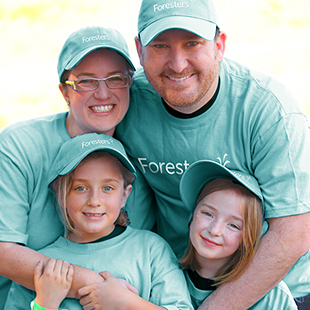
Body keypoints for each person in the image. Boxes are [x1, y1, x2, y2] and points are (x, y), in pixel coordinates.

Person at [115, 0, 310, 308]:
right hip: (176, 284)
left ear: (219, 45)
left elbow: (293, 234)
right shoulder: (128, 104)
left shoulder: (269, 109)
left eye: (192, 43)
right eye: (161, 45)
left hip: (271, 290)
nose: (178, 64)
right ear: (139, 51)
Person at [0, 25, 137, 308]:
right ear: (64, 91)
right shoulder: (19, 145)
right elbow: (2, 251)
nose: (102, 93)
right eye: (86, 81)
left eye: (114, 78)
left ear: (130, 84)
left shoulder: (130, 156)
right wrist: (96, 286)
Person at [5, 133, 193, 310]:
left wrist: (127, 303)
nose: (94, 201)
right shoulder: (42, 266)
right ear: (61, 195)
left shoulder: (151, 250)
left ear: (124, 195)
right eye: (80, 188)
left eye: (108, 188)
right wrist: (45, 303)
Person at [179, 159, 297, 310]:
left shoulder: (273, 298)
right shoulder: (164, 274)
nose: (214, 230)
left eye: (233, 225)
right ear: (192, 216)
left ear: (248, 238)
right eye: (208, 214)